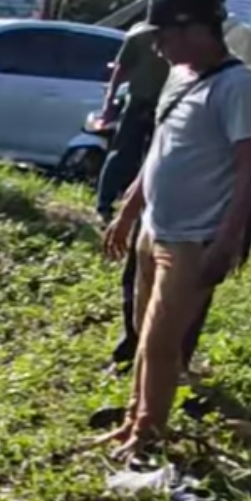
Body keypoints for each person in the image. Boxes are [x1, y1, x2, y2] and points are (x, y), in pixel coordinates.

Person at [99, 0, 251, 457]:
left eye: (164, 36)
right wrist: (128, 211)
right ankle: (132, 422)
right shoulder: (178, 76)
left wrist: (228, 239)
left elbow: (250, 166)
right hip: (155, 228)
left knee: (163, 340)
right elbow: (158, 153)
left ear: (195, 30)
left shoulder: (238, 85)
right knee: (145, 334)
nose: (158, 47)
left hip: (194, 239)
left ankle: (148, 433)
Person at [96, 20, 171, 367]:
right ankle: (133, 345)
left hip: (194, 218)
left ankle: (167, 364)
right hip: (140, 107)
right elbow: (153, 160)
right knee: (121, 157)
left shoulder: (223, 74)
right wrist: (125, 213)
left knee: (175, 301)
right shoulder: (143, 37)